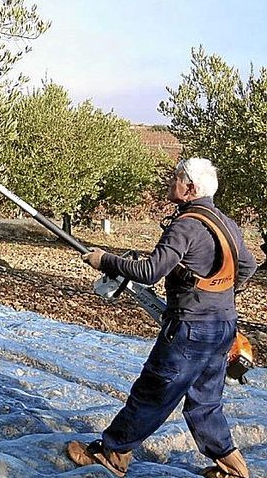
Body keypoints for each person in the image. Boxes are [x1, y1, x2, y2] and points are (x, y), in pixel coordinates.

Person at [68, 158, 256, 478]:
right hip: (222, 326)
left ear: (190, 188)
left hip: (190, 329)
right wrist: (217, 295)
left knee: (154, 390)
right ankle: (234, 469)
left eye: (176, 179)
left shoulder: (186, 224)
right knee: (205, 402)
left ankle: (114, 454)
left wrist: (105, 260)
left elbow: (150, 271)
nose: (171, 182)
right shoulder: (226, 222)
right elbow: (247, 267)